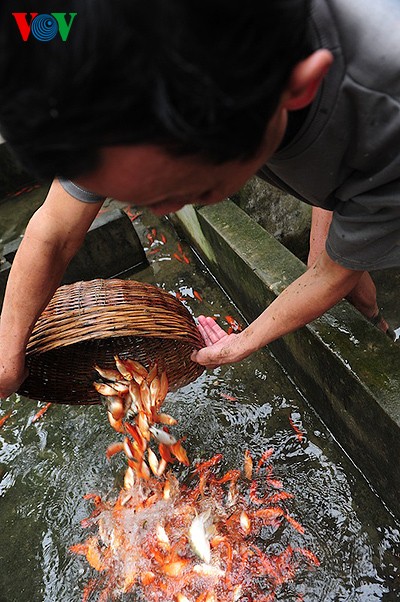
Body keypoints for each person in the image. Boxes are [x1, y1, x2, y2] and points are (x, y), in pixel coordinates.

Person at [0, 0, 399, 398]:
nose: (163, 212)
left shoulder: (384, 112)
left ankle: (379, 324)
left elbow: (333, 271)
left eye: (187, 192)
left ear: (295, 87)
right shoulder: (72, 27)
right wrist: (8, 357)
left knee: (335, 262)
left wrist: (247, 339)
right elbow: (54, 229)